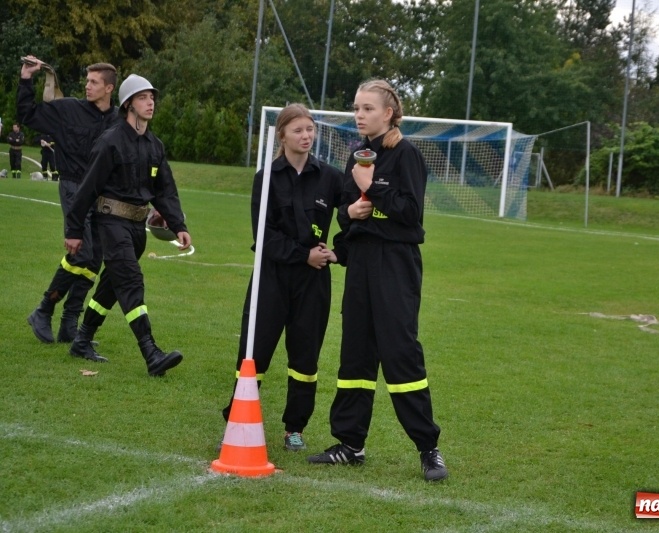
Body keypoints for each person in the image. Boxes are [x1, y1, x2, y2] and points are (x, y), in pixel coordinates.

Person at [306, 79, 448, 482]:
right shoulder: (356, 153)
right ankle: (350, 444)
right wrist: (349, 212)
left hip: (396, 263)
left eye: (367, 108)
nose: (359, 115)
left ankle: (428, 448)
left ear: (388, 113)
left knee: (400, 351)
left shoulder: (406, 155)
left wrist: (374, 191)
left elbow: (410, 213)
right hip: (362, 264)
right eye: (356, 108)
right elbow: (346, 214)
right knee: (355, 353)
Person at [220, 104, 344, 451]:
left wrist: (339, 251)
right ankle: (236, 419)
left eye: (310, 129)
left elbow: (352, 215)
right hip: (271, 279)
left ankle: (295, 428)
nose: (306, 136)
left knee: (305, 358)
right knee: (253, 354)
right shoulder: (266, 178)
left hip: (313, 283)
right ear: (282, 135)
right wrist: (302, 254)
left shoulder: (331, 177)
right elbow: (264, 237)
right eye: (298, 130)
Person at [63, 74, 191, 376]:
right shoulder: (110, 141)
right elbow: (87, 189)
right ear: (129, 104)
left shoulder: (154, 146)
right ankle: (151, 352)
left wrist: (178, 224)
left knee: (111, 285)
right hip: (111, 224)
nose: (151, 103)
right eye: (144, 97)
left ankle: (82, 340)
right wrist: (73, 231)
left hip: (137, 230)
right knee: (131, 282)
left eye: (152, 98)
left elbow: (165, 191)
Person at [19, 56, 119, 345]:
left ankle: (68, 325)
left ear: (109, 88)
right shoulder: (68, 110)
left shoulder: (118, 121)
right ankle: (44, 308)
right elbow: (28, 114)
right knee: (83, 254)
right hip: (75, 187)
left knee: (94, 260)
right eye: (86, 81)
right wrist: (27, 80)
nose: (87, 86)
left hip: (104, 195)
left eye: (93, 82)